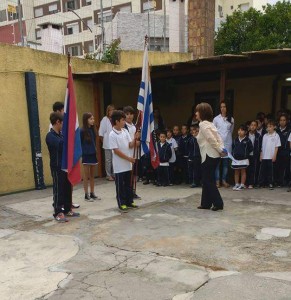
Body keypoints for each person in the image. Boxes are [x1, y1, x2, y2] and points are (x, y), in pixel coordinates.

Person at [46, 112, 80, 222]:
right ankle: (58, 211)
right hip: (57, 167)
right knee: (58, 189)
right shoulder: (50, 136)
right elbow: (60, 145)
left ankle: (67, 208)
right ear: (57, 122)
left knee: (67, 188)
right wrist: (68, 139)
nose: (63, 126)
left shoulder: (61, 134)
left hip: (66, 166)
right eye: (62, 123)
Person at [196, 102, 225, 211]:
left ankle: (218, 203)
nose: (195, 113)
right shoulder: (210, 124)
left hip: (208, 155)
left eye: (197, 111)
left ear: (202, 113)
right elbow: (219, 138)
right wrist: (221, 149)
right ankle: (205, 203)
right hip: (214, 156)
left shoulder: (202, 124)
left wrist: (220, 149)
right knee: (207, 179)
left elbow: (211, 139)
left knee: (208, 180)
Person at [109, 110, 139, 213]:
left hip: (127, 164)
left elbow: (129, 145)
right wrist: (129, 158)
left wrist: (135, 140)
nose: (124, 121)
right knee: (120, 185)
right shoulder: (112, 134)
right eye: (122, 120)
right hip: (119, 166)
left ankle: (129, 201)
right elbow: (116, 151)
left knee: (128, 184)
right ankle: (122, 203)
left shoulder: (125, 131)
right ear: (117, 121)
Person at [213, 101, 234, 188]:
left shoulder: (231, 119)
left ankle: (224, 180)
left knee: (225, 163)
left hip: (227, 144)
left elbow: (231, 131)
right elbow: (213, 132)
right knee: (217, 163)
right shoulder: (216, 119)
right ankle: (217, 181)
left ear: (227, 108)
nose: (223, 108)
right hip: (218, 144)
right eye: (221, 107)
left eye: (224, 107)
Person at [81, 112, 100, 201]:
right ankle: (86, 194)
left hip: (93, 154)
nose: (93, 120)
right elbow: (79, 143)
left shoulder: (93, 130)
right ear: (86, 120)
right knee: (86, 175)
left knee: (92, 175)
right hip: (86, 155)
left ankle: (92, 193)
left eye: (93, 118)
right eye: (90, 119)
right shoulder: (82, 131)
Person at [123, 106, 141, 199]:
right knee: (127, 174)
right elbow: (126, 141)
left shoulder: (134, 126)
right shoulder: (124, 126)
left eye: (131, 114)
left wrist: (138, 141)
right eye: (127, 114)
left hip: (134, 152)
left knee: (133, 173)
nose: (129, 116)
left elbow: (137, 138)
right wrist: (135, 142)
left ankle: (132, 191)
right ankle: (127, 191)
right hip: (127, 152)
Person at [258, 120, 281, 190]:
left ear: (274, 127)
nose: (268, 128)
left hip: (271, 156)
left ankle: (270, 183)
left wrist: (275, 155)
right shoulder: (265, 135)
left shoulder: (276, 135)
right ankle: (261, 183)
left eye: (270, 126)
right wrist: (261, 154)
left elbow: (277, 147)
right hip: (264, 156)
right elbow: (262, 146)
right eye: (267, 127)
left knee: (270, 171)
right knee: (262, 171)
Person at [231, 124, 253, 191]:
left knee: (243, 171)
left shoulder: (248, 140)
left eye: (242, 130)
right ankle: (236, 184)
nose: (240, 131)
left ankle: (242, 184)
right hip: (236, 159)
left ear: (245, 132)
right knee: (236, 171)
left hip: (244, 159)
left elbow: (251, 148)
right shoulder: (235, 140)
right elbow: (233, 147)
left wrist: (245, 154)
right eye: (239, 130)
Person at [99, 104, 115, 181]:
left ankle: (114, 174)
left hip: (114, 144)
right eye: (110, 110)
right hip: (107, 144)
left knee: (114, 160)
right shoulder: (104, 120)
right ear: (107, 112)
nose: (111, 112)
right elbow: (101, 133)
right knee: (108, 160)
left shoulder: (115, 119)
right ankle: (108, 175)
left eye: (113, 110)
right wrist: (104, 142)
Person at [275, 113, 290, 187]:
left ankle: (283, 182)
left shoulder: (289, 130)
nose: (282, 122)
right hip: (277, 151)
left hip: (285, 151)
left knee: (284, 168)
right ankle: (277, 182)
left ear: (286, 121)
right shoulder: (276, 130)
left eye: (284, 120)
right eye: (281, 120)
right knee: (277, 167)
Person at [247, 120, 262, 188]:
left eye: (254, 125)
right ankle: (245, 183)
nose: (253, 126)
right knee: (246, 169)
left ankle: (251, 183)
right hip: (246, 155)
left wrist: (260, 154)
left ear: (256, 127)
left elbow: (261, 146)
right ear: (249, 126)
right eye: (252, 125)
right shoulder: (246, 134)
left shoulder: (258, 136)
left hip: (255, 155)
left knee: (254, 169)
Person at [187, 124, 201, 188]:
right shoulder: (191, 139)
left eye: (197, 132)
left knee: (200, 170)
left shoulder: (200, 139)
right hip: (193, 156)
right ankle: (194, 182)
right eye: (194, 132)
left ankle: (200, 182)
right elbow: (189, 149)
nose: (195, 133)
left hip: (200, 156)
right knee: (194, 170)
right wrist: (190, 157)